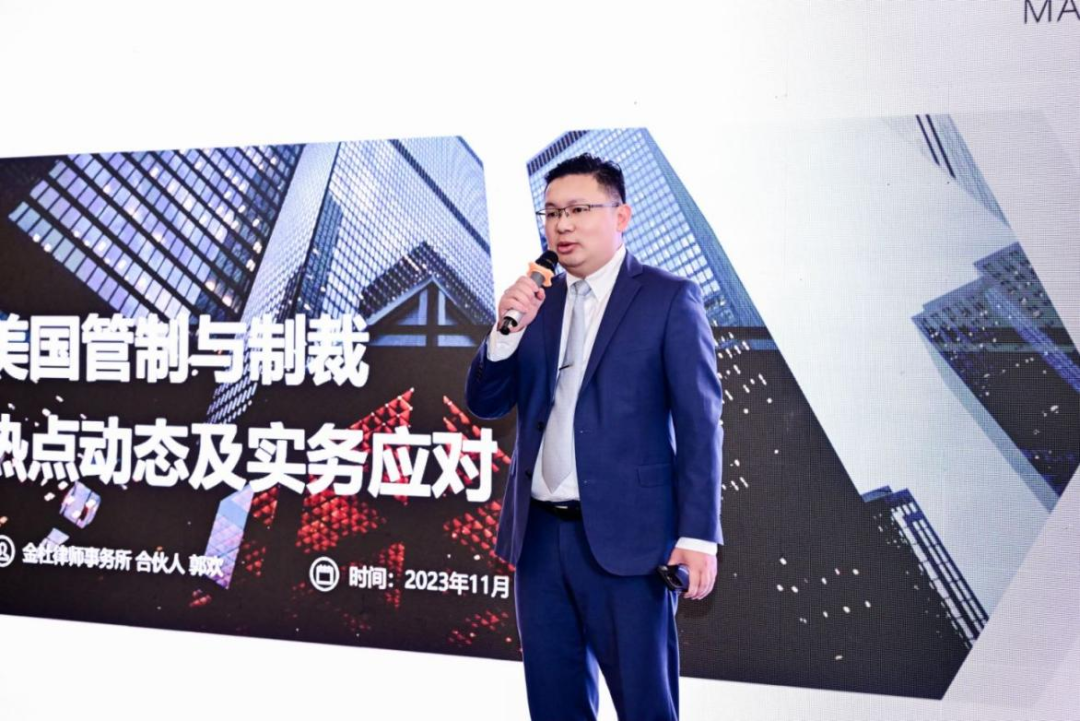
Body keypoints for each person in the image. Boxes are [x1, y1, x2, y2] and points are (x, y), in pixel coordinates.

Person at [465, 154, 723, 720]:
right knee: (554, 705)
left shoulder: (668, 298)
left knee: (645, 706)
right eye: (552, 212)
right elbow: (485, 404)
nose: (562, 225)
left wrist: (698, 536)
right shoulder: (537, 301)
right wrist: (504, 334)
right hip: (538, 538)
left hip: (630, 542)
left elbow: (701, 422)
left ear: (621, 216)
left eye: (579, 209)